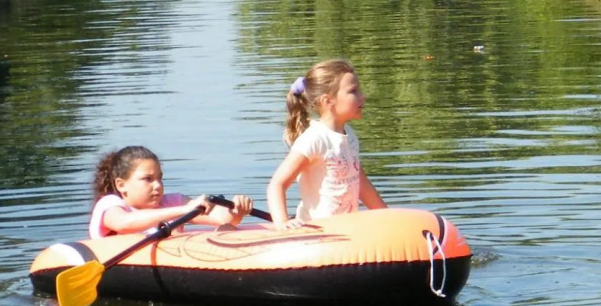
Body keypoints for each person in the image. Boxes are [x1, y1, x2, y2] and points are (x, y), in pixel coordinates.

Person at [267, 59, 387, 228]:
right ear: (328, 101)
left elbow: (359, 181)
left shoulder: (349, 135)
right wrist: (283, 222)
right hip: (320, 233)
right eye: (353, 91)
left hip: (346, 229)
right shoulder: (314, 139)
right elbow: (277, 184)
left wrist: (385, 215)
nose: (362, 96)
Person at [89, 145, 252, 238]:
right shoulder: (110, 204)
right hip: (131, 263)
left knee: (227, 230)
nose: (158, 185)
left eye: (160, 178)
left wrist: (236, 210)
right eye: (148, 179)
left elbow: (222, 218)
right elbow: (123, 223)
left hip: (179, 261)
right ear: (121, 185)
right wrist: (184, 210)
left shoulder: (172, 201)